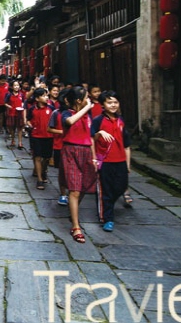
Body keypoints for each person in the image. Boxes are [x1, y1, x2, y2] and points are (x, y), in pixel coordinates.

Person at [61, 86, 97, 244]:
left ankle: (72, 209)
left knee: (85, 186)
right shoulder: (66, 113)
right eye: (86, 98)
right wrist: (87, 107)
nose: (89, 100)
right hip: (71, 152)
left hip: (86, 153)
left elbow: (91, 137)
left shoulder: (87, 116)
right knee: (74, 189)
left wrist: (94, 157)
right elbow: (69, 121)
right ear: (78, 101)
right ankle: (76, 226)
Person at [92, 91, 131, 232]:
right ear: (103, 105)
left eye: (115, 102)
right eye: (109, 102)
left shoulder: (121, 120)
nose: (113, 105)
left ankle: (107, 204)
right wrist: (99, 134)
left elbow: (126, 144)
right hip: (105, 161)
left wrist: (128, 163)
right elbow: (91, 139)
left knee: (121, 187)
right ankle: (107, 218)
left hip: (120, 160)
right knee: (106, 190)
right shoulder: (98, 120)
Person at [26, 88, 54, 190]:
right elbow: (28, 120)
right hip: (36, 136)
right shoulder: (32, 109)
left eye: (47, 95)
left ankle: (43, 171)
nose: (46, 98)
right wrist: (30, 126)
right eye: (43, 96)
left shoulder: (51, 108)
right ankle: (39, 179)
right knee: (37, 157)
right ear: (37, 98)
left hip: (49, 136)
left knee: (46, 158)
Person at [48, 88, 71, 206]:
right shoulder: (56, 113)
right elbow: (49, 128)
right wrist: (61, 132)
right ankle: (63, 193)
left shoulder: (79, 114)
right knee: (62, 171)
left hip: (74, 147)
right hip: (59, 146)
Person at [4, 80, 25, 149]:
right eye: (15, 85)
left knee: (20, 128)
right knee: (12, 128)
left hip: (19, 113)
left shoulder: (21, 94)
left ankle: (20, 142)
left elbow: (23, 102)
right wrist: (9, 106)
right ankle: (13, 140)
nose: (16, 87)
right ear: (12, 87)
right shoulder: (9, 94)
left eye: (17, 85)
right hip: (12, 113)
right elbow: (5, 103)